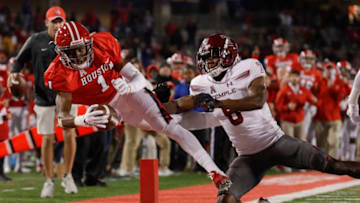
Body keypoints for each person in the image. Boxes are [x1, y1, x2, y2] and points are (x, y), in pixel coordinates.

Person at [165, 34, 360, 203]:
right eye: (206, 58)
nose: (209, 63)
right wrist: (156, 106)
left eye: (213, 57)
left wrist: (219, 103)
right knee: (225, 199)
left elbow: (257, 100)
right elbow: (182, 105)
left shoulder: (248, 67)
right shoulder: (200, 84)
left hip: (277, 143)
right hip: (247, 157)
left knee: (332, 164)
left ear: (228, 56)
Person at [43, 21, 230, 193]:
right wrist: (81, 120)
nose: (77, 56)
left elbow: (137, 77)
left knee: (168, 127)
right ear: (60, 52)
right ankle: (223, 117)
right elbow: (61, 119)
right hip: (114, 109)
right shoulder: (58, 74)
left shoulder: (103, 44)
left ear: (89, 43)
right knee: (173, 123)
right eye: (70, 51)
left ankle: (215, 172)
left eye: (80, 49)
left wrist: (130, 87)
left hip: (128, 91)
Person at [8, 6, 78, 198]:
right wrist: (14, 74)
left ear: (65, 22)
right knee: (47, 139)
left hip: (67, 94)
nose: (57, 25)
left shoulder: (73, 39)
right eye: (53, 21)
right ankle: (48, 180)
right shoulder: (35, 40)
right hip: (43, 96)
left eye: (60, 21)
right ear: (46, 22)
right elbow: (19, 60)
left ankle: (68, 175)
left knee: (70, 134)